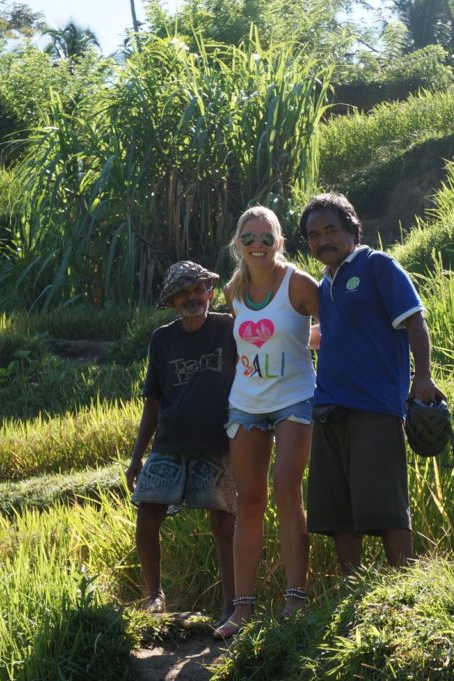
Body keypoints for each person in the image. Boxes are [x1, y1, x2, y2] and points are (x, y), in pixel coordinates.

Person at [299, 193, 444, 575]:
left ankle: (402, 589)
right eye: (314, 235)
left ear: (352, 229)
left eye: (331, 229)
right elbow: (333, 334)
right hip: (328, 408)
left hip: (374, 408)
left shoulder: (377, 265)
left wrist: (423, 377)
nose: (323, 240)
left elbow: (415, 322)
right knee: (339, 513)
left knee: (386, 508)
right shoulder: (323, 285)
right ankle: (352, 590)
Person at [213, 206, 320, 638]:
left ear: (280, 242)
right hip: (246, 404)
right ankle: (243, 609)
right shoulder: (232, 291)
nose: (258, 245)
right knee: (249, 501)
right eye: (249, 238)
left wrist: (314, 349)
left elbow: (331, 328)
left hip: (295, 399)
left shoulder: (300, 284)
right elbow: (249, 342)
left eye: (266, 237)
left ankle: (296, 597)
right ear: (237, 244)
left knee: (287, 489)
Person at [125, 260, 238, 627]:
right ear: (172, 300)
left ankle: (231, 605)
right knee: (148, 513)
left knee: (223, 524)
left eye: (199, 289)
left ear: (209, 291)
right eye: (184, 292)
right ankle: (154, 595)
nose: (193, 297)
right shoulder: (163, 339)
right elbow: (153, 401)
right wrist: (136, 458)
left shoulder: (229, 329)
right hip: (169, 443)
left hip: (218, 443)